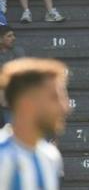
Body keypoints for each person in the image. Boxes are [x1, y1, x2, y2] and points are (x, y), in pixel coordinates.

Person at [0, 58, 69, 189]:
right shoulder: (3, 156)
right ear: (27, 104)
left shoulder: (50, 157)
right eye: (54, 98)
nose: (64, 107)